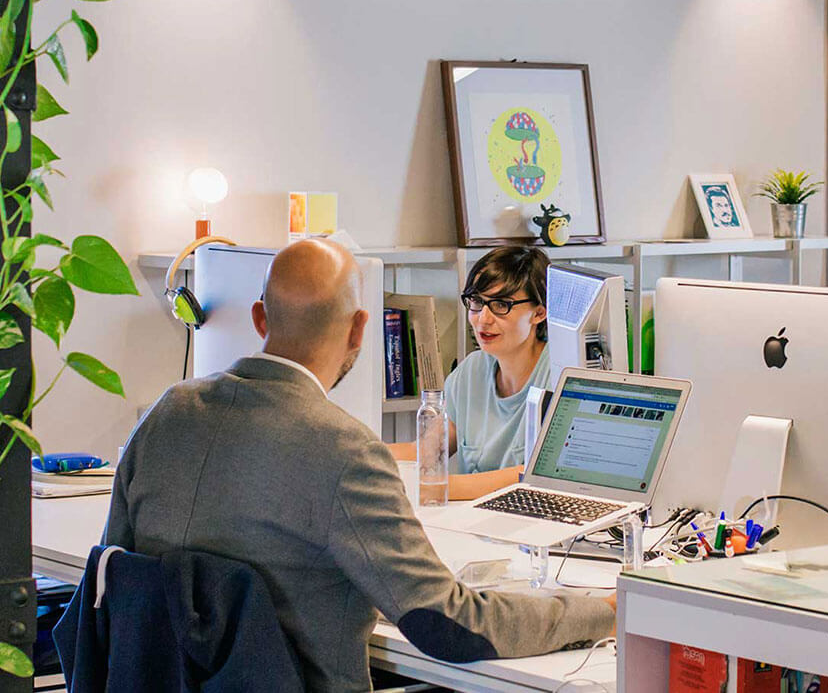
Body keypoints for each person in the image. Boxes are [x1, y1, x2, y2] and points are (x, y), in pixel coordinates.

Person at [103, 239, 613, 691]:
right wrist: (602, 613)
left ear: (259, 319)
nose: (484, 317)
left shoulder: (167, 412)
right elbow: (449, 624)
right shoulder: (345, 452)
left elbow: (112, 572)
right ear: (359, 330)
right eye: (478, 303)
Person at [441, 246, 552, 500]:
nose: (483, 319)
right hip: (472, 517)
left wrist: (439, 488)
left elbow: (538, 476)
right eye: (477, 302)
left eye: (501, 304)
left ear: (539, 312)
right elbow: (426, 451)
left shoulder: (558, 375)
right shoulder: (470, 371)